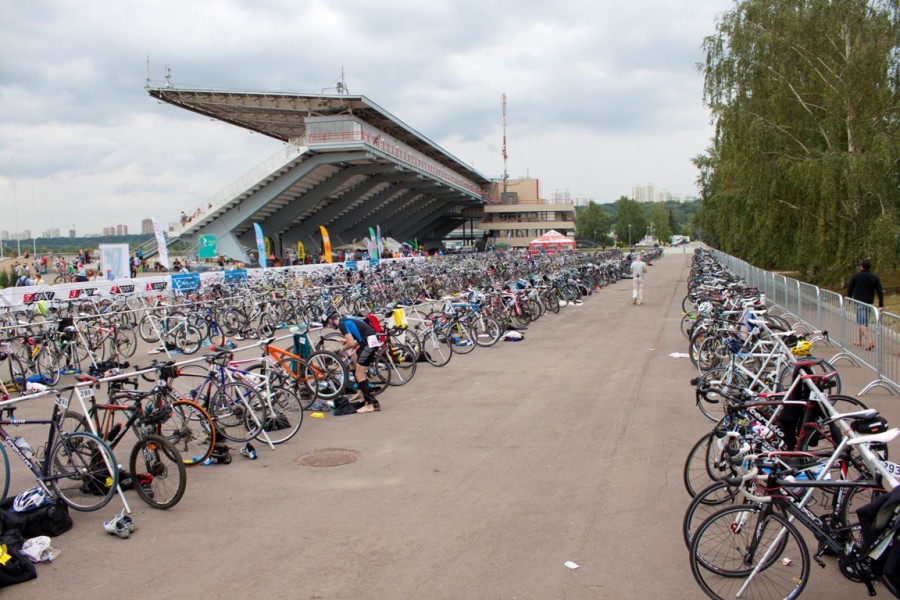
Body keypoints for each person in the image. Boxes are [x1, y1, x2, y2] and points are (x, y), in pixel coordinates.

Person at [323, 311, 381, 413]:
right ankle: (360, 392)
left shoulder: (341, 324)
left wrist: (341, 349)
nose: (329, 327)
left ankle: (369, 404)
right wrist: (346, 344)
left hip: (369, 343)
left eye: (328, 324)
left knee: (360, 375)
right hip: (367, 341)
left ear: (331, 320)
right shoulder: (344, 320)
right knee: (352, 362)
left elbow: (350, 343)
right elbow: (353, 341)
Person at [847, 258, 884, 351]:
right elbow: (880, 291)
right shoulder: (874, 277)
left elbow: (850, 289)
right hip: (869, 303)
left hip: (859, 302)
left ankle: (869, 341)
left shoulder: (855, 276)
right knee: (863, 323)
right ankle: (859, 340)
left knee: (862, 323)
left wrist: (849, 298)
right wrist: (881, 304)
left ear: (861, 266)